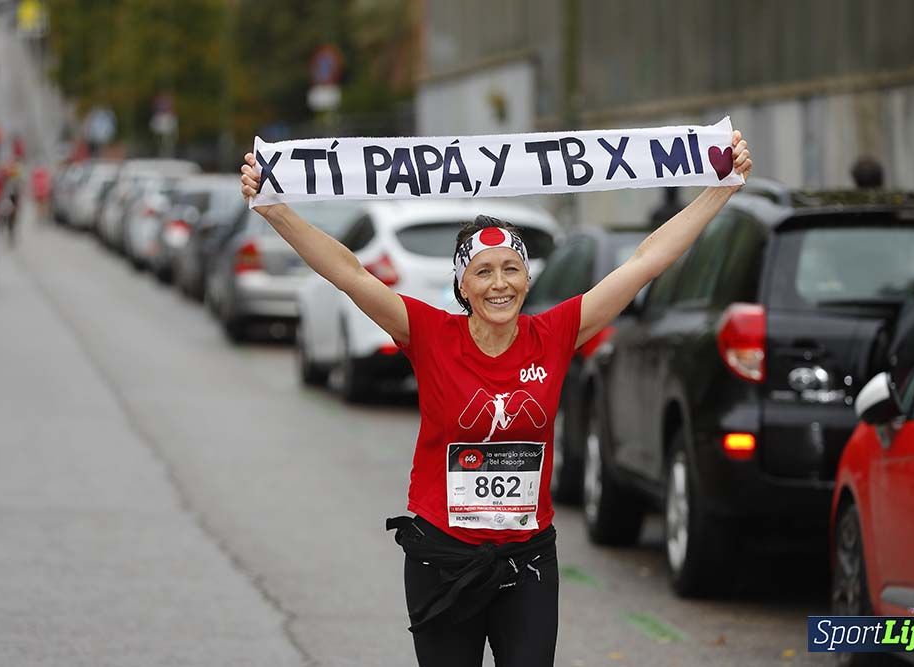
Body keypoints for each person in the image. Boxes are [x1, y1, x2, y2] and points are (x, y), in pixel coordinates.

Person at [239, 130, 752, 667]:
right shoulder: (430, 335)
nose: (499, 284)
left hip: (527, 559)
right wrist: (274, 210)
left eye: (511, 269)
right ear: (463, 285)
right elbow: (348, 272)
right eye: (483, 272)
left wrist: (720, 190)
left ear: (528, 279)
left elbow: (645, 261)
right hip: (442, 554)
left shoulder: (554, 334)